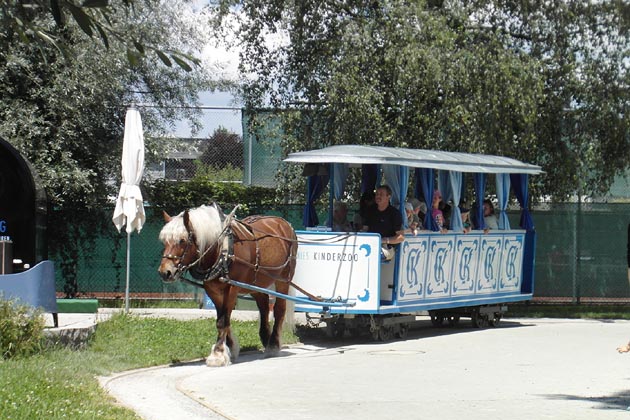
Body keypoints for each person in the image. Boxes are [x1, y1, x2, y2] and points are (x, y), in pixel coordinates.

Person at [363, 185, 404, 260]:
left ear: (388, 197)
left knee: (373, 255)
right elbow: (365, 229)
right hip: (369, 244)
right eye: (377, 194)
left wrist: (385, 240)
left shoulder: (394, 213)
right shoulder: (370, 211)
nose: (378, 196)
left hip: (386, 247)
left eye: (381, 194)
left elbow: (400, 237)